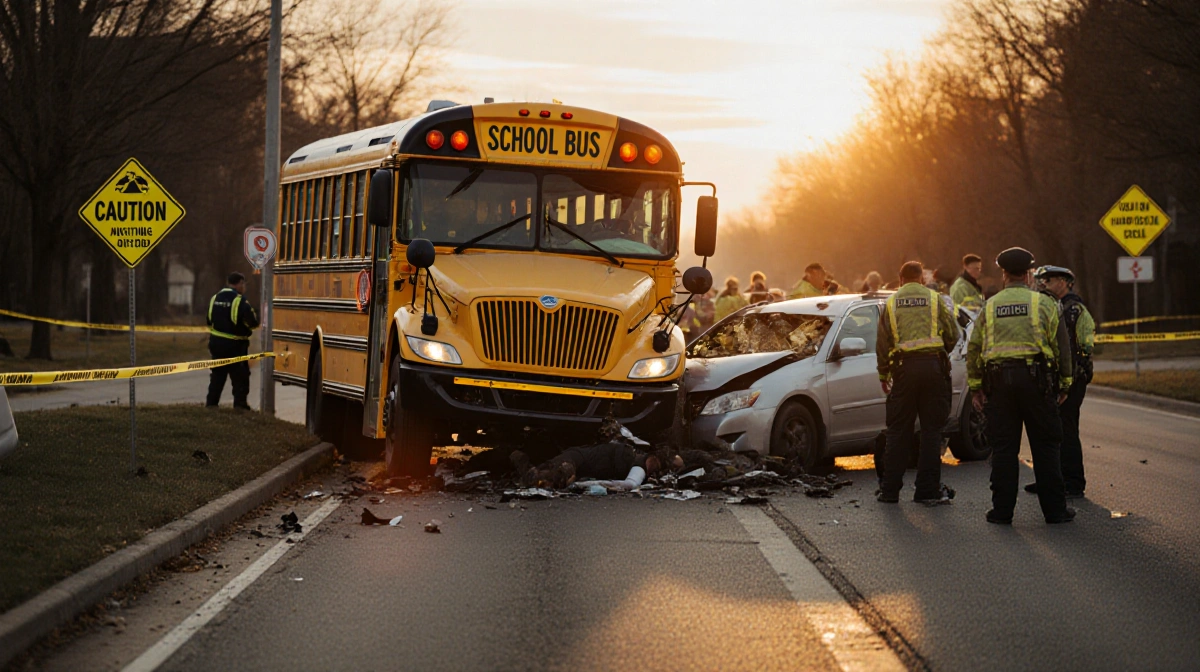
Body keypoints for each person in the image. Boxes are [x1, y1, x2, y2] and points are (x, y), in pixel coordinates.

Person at [967, 248, 1075, 525]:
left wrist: (976, 387)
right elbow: (1062, 347)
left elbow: (975, 348)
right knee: (1046, 446)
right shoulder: (1045, 304)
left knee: (1003, 449)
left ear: (1003, 274)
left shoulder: (989, 306)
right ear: (1028, 274)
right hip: (1037, 384)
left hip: (999, 384)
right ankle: (1055, 511)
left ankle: (1002, 512)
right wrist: (1065, 383)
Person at [875, 261, 960, 504]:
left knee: (898, 431)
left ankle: (890, 491)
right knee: (932, 431)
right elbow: (953, 334)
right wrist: (940, 353)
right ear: (922, 279)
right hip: (934, 369)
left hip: (903, 371)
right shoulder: (935, 299)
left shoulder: (891, 303)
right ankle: (927, 490)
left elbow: (882, 343)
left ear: (900, 279)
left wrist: (884, 375)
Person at [1028, 265, 1095, 499]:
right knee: (1047, 430)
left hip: (1073, 379)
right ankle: (1049, 479)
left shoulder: (1076, 310)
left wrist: (1078, 371)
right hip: (1051, 378)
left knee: (1066, 430)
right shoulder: (1046, 307)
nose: (1044, 284)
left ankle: (1073, 482)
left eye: (1050, 280)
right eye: (1043, 280)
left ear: (1066, 282)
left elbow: (1086, 344)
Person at [206, 272, 260, 410]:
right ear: (240, 284)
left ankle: (211, 404)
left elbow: (209, 320)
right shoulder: (239, 301)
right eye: (244, 284)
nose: (244, 287)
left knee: (218, 375)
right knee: (240, 376)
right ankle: (240, 405)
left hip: (216, 344)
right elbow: (252, 322)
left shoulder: (214, 298)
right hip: (235, 346)